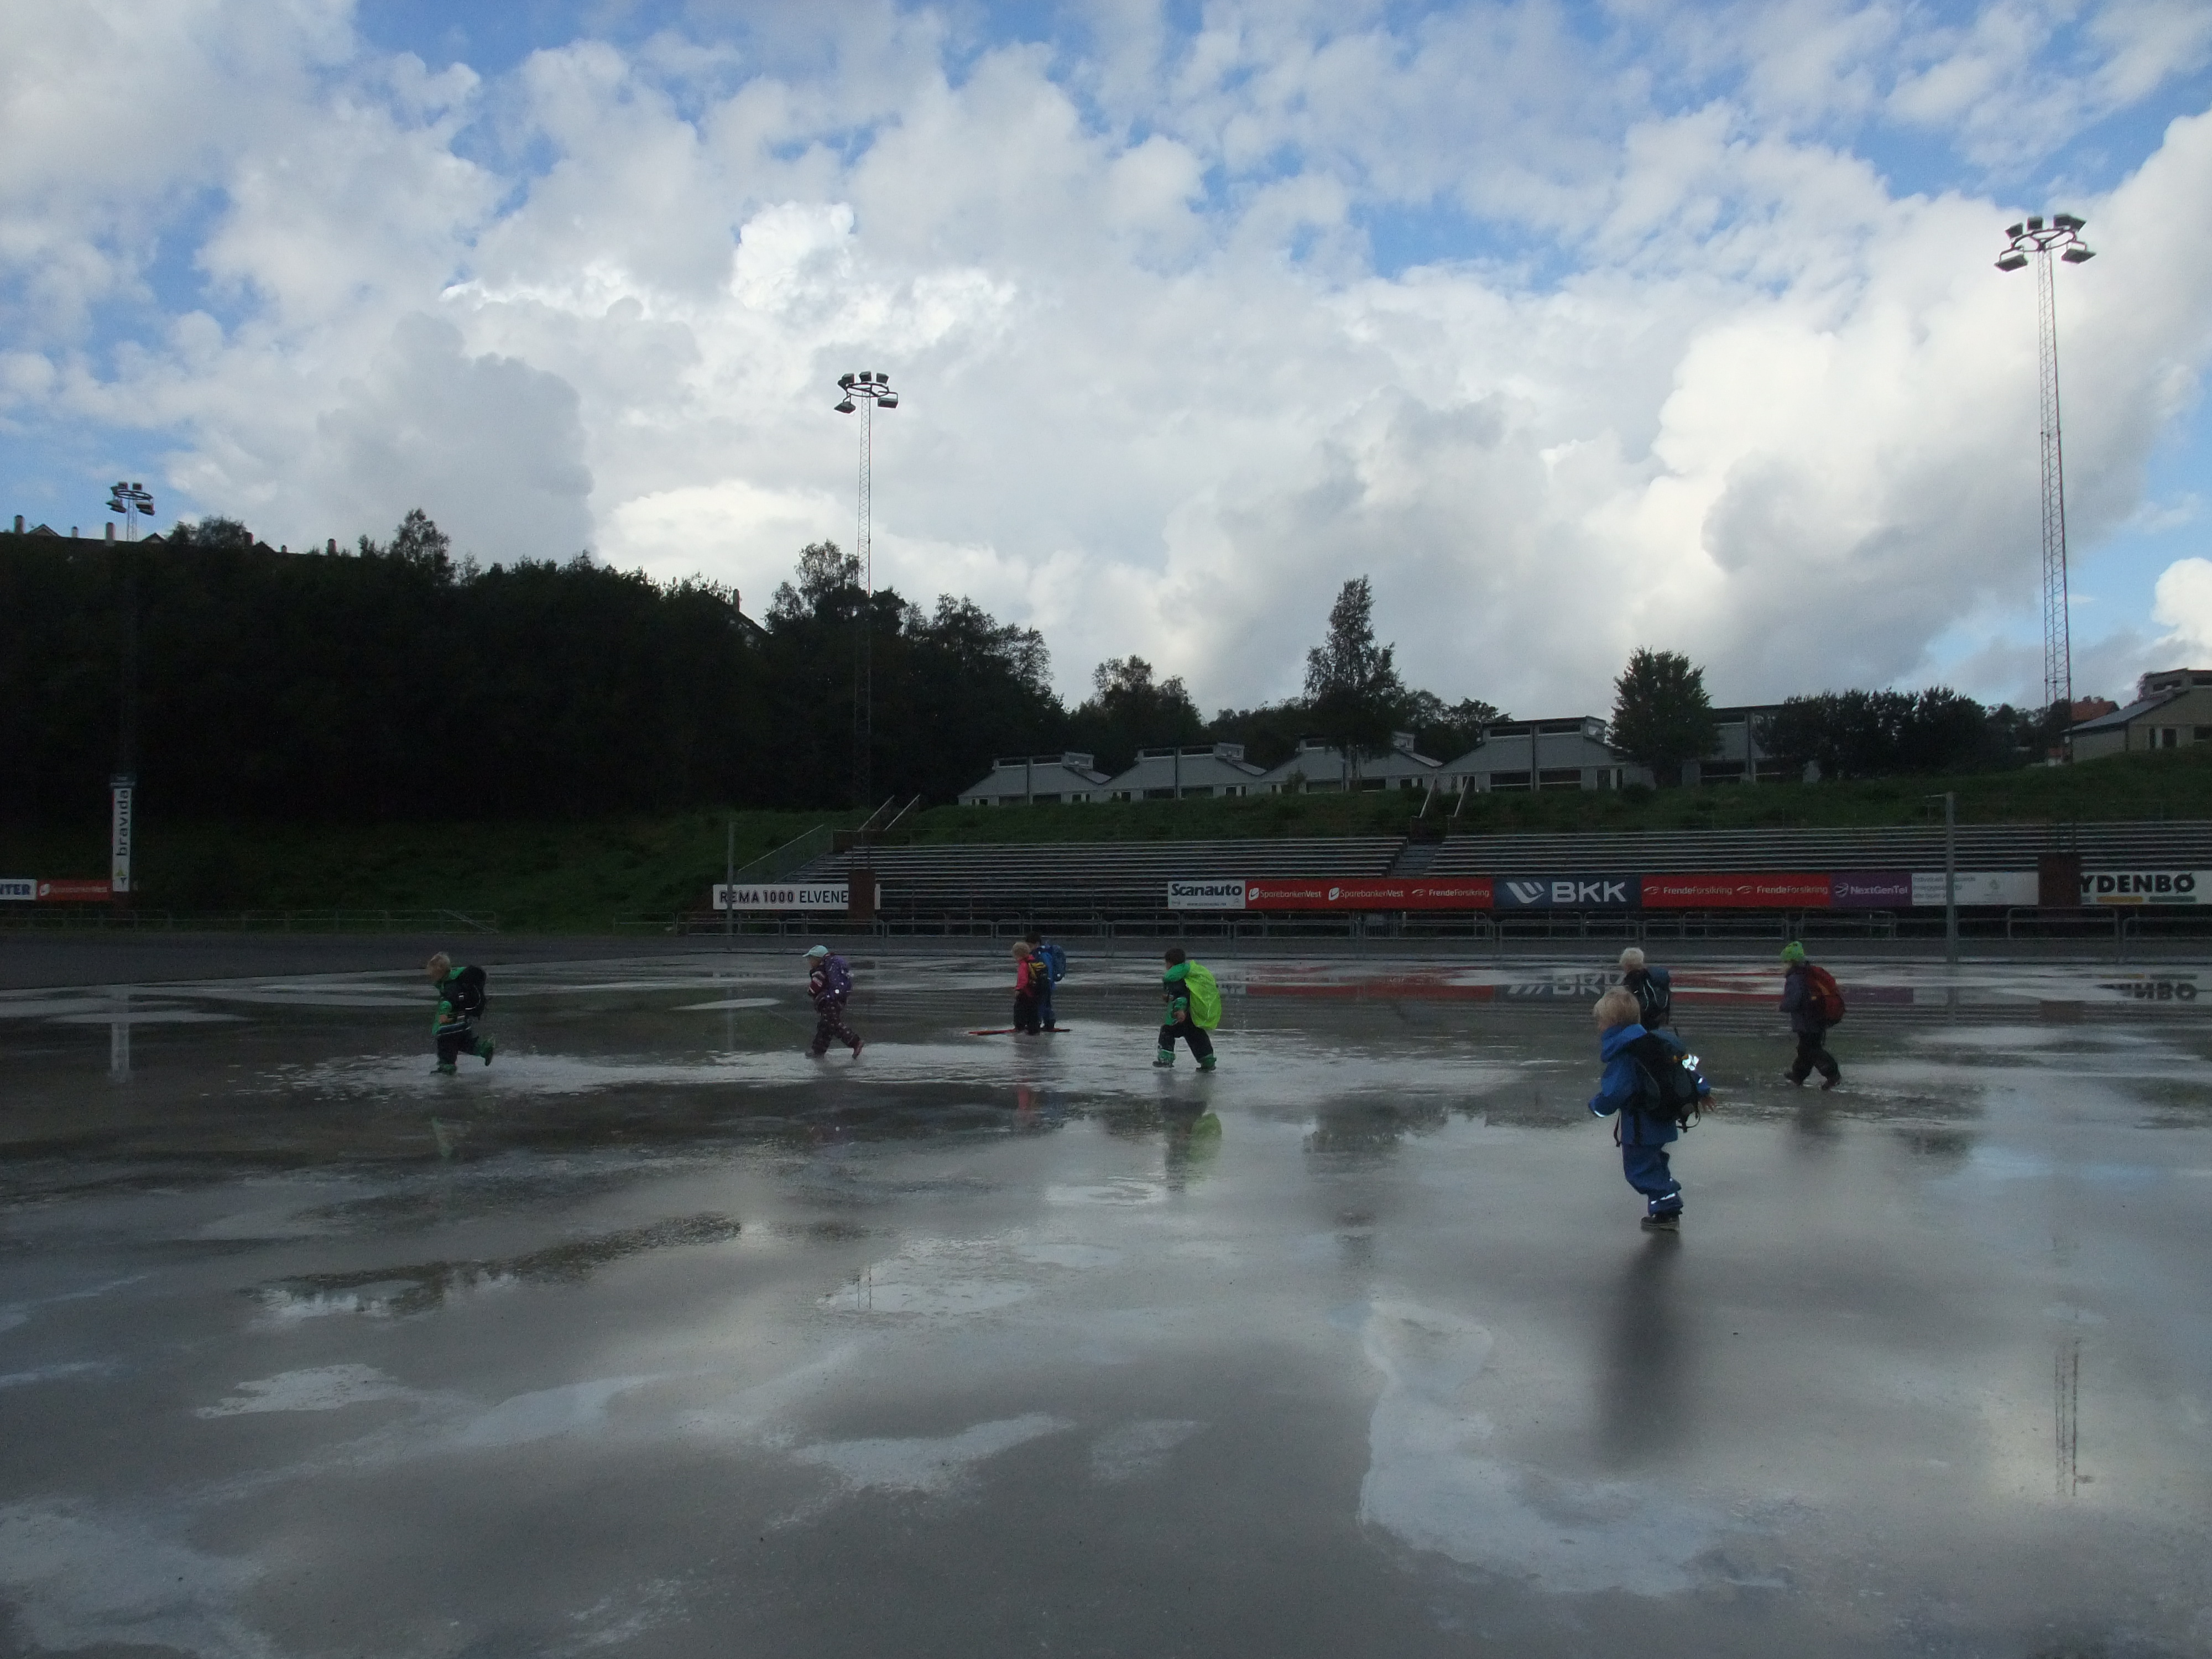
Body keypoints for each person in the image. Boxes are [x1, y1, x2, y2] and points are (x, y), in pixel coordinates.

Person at [1587, 987, 1708, 1230]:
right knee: (1654, 1163)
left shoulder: (1626, 1053)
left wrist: (1597, 1107)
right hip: (1664, 1117)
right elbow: (1688, 1065)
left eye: (1601, 1022)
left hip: (1640, 1126)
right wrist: (1703, 1089)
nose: (1599, 1028)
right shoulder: (1657, 1041)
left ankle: (1667, 1210)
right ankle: (1666, 1205)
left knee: (1638, 1171)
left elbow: (1616, 1091)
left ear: (1613, 1023)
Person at [1779, 940, 1841, 1089]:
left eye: (1784, 963)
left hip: (1807, 1021)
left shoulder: (1794, 978)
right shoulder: (1806, 974)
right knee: (1805, 1049)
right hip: (1816, 1018)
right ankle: (1798, 1075)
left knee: (1812, 1050)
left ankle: (1833, 1074)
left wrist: (1782, 1006)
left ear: (1791, 963)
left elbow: (1794, 1000)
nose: (1782, 966)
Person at [424, 952, 495, 1074]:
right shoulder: (459, 981)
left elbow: (447, 1003)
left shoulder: (449, 986)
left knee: (446, 1048)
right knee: (466, 1043)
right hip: (463, 1024)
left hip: (448, 1027)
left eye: (433, 974)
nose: (431, 976)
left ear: (440, 972)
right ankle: (483, 1050)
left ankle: (447, 1067)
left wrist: (442, 1016)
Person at [1154, 946, 1218, 1071]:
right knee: (1196, 1035)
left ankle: (1165, 1059)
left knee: (1167, 1031)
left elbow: (1181, 995)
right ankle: (1207, 1060)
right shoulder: (1189, 975)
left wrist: (1180, 1010)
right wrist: (1168, 998)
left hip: (1182, 1015)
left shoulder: (1175, 978)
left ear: (1170, 964)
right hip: (1193, 1013)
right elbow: (1185, 993)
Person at [805, 944, 864, 1059]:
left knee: (834, 1025)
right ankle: (818, 1050)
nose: (809, 962)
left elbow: (815, 986)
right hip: (837, 1000)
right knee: (825, 1026)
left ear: (817, 959)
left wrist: (810, 991)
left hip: (829, 1001)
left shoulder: (819, 971)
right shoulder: (828, 968)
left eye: (810, 959)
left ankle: (855, 1042)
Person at [1618, 946, 1674, 1036]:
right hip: (1657, 1018)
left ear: (1627, 965)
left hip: (1640, 1022)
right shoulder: (1653, 976)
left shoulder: (1631, 980)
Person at [1022, 929, 1066, 1030]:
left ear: (1037, 944)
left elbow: (1047, 968)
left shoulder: (1042, 954)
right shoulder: (1040, 953)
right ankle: (1049, 1022)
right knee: (1046, 1004)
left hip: (1044, 984)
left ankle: (1040, 1022)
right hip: (1046, 983)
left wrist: (1045, 981)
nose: (1028, 948)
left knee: (1041, 1004)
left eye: (1030, 946)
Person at [1011, 941, 1044, 1034]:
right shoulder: (1034, 962)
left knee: (1019, 1009)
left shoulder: (1023, 965)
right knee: (1033, 1011)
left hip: (1026, 992)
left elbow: (1023, 980)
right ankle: (1034, 1027)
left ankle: (1019, 1026)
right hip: (1035, 992)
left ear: (1018, 955)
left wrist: (1018, 990)